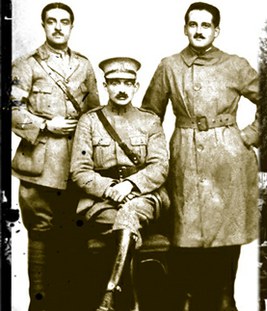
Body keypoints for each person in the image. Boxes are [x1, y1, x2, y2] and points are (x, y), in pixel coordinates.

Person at [141, 3, 261, 309]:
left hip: (228, 164)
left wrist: (249, 135)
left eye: (205, 25)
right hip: (184, 161)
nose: (198, 30)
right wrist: (155, 157)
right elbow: (149, 116)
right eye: (192, 24)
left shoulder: (235, 65)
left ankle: (225, 301)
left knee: (225, 249)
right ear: (185, 29)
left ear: (216, 31)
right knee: (186, 248)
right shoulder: (169, 66)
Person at [10, 2, 101, 309]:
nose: (58, 27)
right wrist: (46, 125)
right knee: (40, 236)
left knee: (73, 241)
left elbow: (94, 116)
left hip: (75, 165)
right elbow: (11, 111)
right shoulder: (27, 65)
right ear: (44, 25)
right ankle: (39, 303)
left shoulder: (84, 66)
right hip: (39, 167)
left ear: (71, 27)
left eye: (64, 22)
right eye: (52, 21)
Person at [70, 57, 170, 310]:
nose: (122, 88)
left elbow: (160, 167)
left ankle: (110, 293)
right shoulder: (90, 121)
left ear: (136, 86)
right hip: (100, 201)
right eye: (115, 82)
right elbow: (79, 171)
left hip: (145, 197)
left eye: (128, 82)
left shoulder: (150, 121)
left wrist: (131, 186)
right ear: (105, 85)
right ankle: (133, 301)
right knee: (125, 220)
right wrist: (110, 189)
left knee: (129, 213)